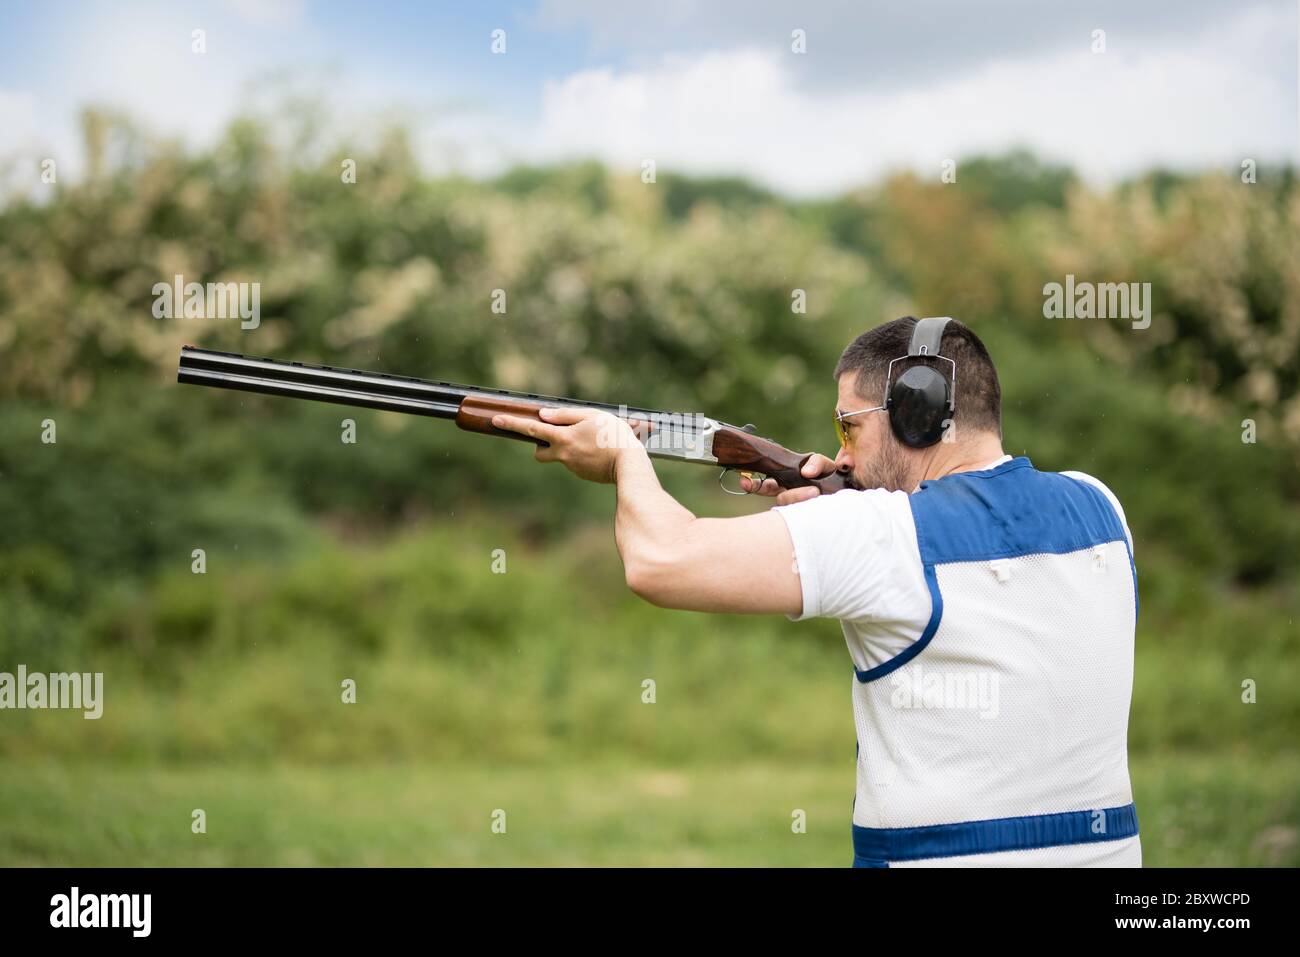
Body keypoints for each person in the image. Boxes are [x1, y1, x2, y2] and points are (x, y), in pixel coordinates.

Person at [492, 315, 1140, 867]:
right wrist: (821, 518)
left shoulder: (880, 532)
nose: (843, 456)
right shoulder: (1101, 508)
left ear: (914, 414)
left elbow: (659, 561)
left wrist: (622, 456)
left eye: (848, 427)